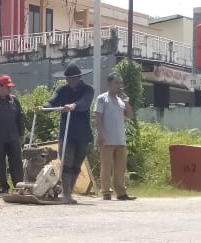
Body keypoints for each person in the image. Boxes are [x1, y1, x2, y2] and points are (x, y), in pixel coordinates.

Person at [38, 62, 94, 204]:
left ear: (79, 77)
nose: (71, 81)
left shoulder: (88, 90)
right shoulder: (62, 90)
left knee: (76, 164)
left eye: (74, 78)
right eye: (69, 79)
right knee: (66, 162)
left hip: (82, 133)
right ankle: (67, 193)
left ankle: (70, 191)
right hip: (67, 133)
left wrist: (73, 106)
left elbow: (84, 103)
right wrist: (43, 107)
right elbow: (53, 101)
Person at [96, 73, 136, 201]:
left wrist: (127, 102)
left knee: (120, 168)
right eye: (116, 83)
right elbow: (98, 117)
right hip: (107, 139)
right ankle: (106, 192)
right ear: (109, 84)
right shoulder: (102, 99)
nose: (119, 86)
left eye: (120, 83)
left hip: (120, 139)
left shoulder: (121, 101)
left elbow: (129, 116)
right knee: (106, 167)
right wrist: (100, 134)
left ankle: (121, 192)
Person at [0, 75, 25, 193]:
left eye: (10, 87)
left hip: (13, 137)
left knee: (16, 162)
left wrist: (21, 134)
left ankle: (18, 186)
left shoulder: (14, 100)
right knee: (0, 163)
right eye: (7, 87)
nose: (9, 89)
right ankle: (4, 186)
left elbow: (20, 118)